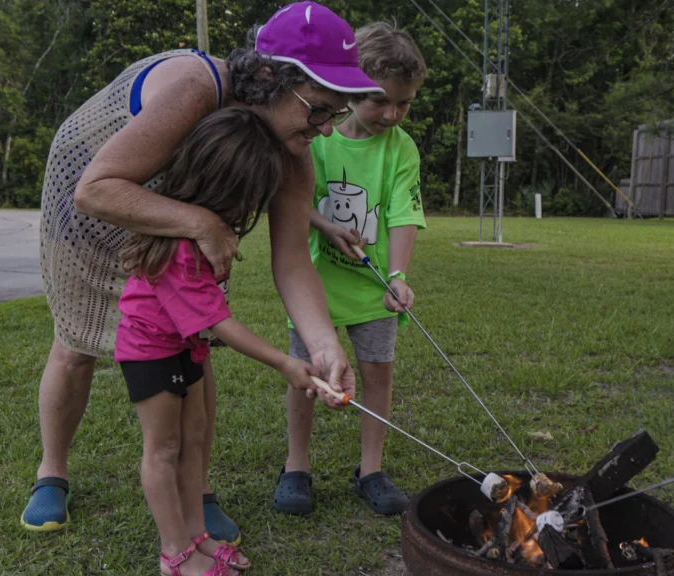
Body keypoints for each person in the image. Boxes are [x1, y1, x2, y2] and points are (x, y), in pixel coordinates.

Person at [23, 1, 383, 546]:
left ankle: (196, 489)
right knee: (76, 345)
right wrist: (200, 222)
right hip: (93, 202)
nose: (327, 129)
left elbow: (291, 259)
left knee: (193, 340)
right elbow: (96, 190)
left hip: (186, 223)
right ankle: (52, 472)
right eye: (319, 110)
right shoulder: (197, 86)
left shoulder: (293, 146)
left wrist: (324, 346)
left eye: (336, 114)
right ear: (269, 77)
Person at [117, 107, 319, 576]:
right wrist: (284, 363)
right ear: (218, 187)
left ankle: (197, 536)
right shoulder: (178, 247)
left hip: (186, 347)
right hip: (150, 350)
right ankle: (174, 552)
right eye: (245, 201)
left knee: (194, 440)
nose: (247, 214)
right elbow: (220, 321)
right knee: (164, 449)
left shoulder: (205, 231)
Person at [274, 22, 427, 517]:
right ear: (349, 89)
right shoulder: (317, 138)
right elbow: (293, 203)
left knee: (377, 375)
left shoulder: (401, 149)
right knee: (308, 373)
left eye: (404, 103)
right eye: (381, 100)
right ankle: (296, 465)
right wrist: (323, 225)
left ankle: (371, 469)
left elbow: (404, 212)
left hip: (373, 291)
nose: (392, 113)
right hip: (314, 287)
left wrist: (398, 275)